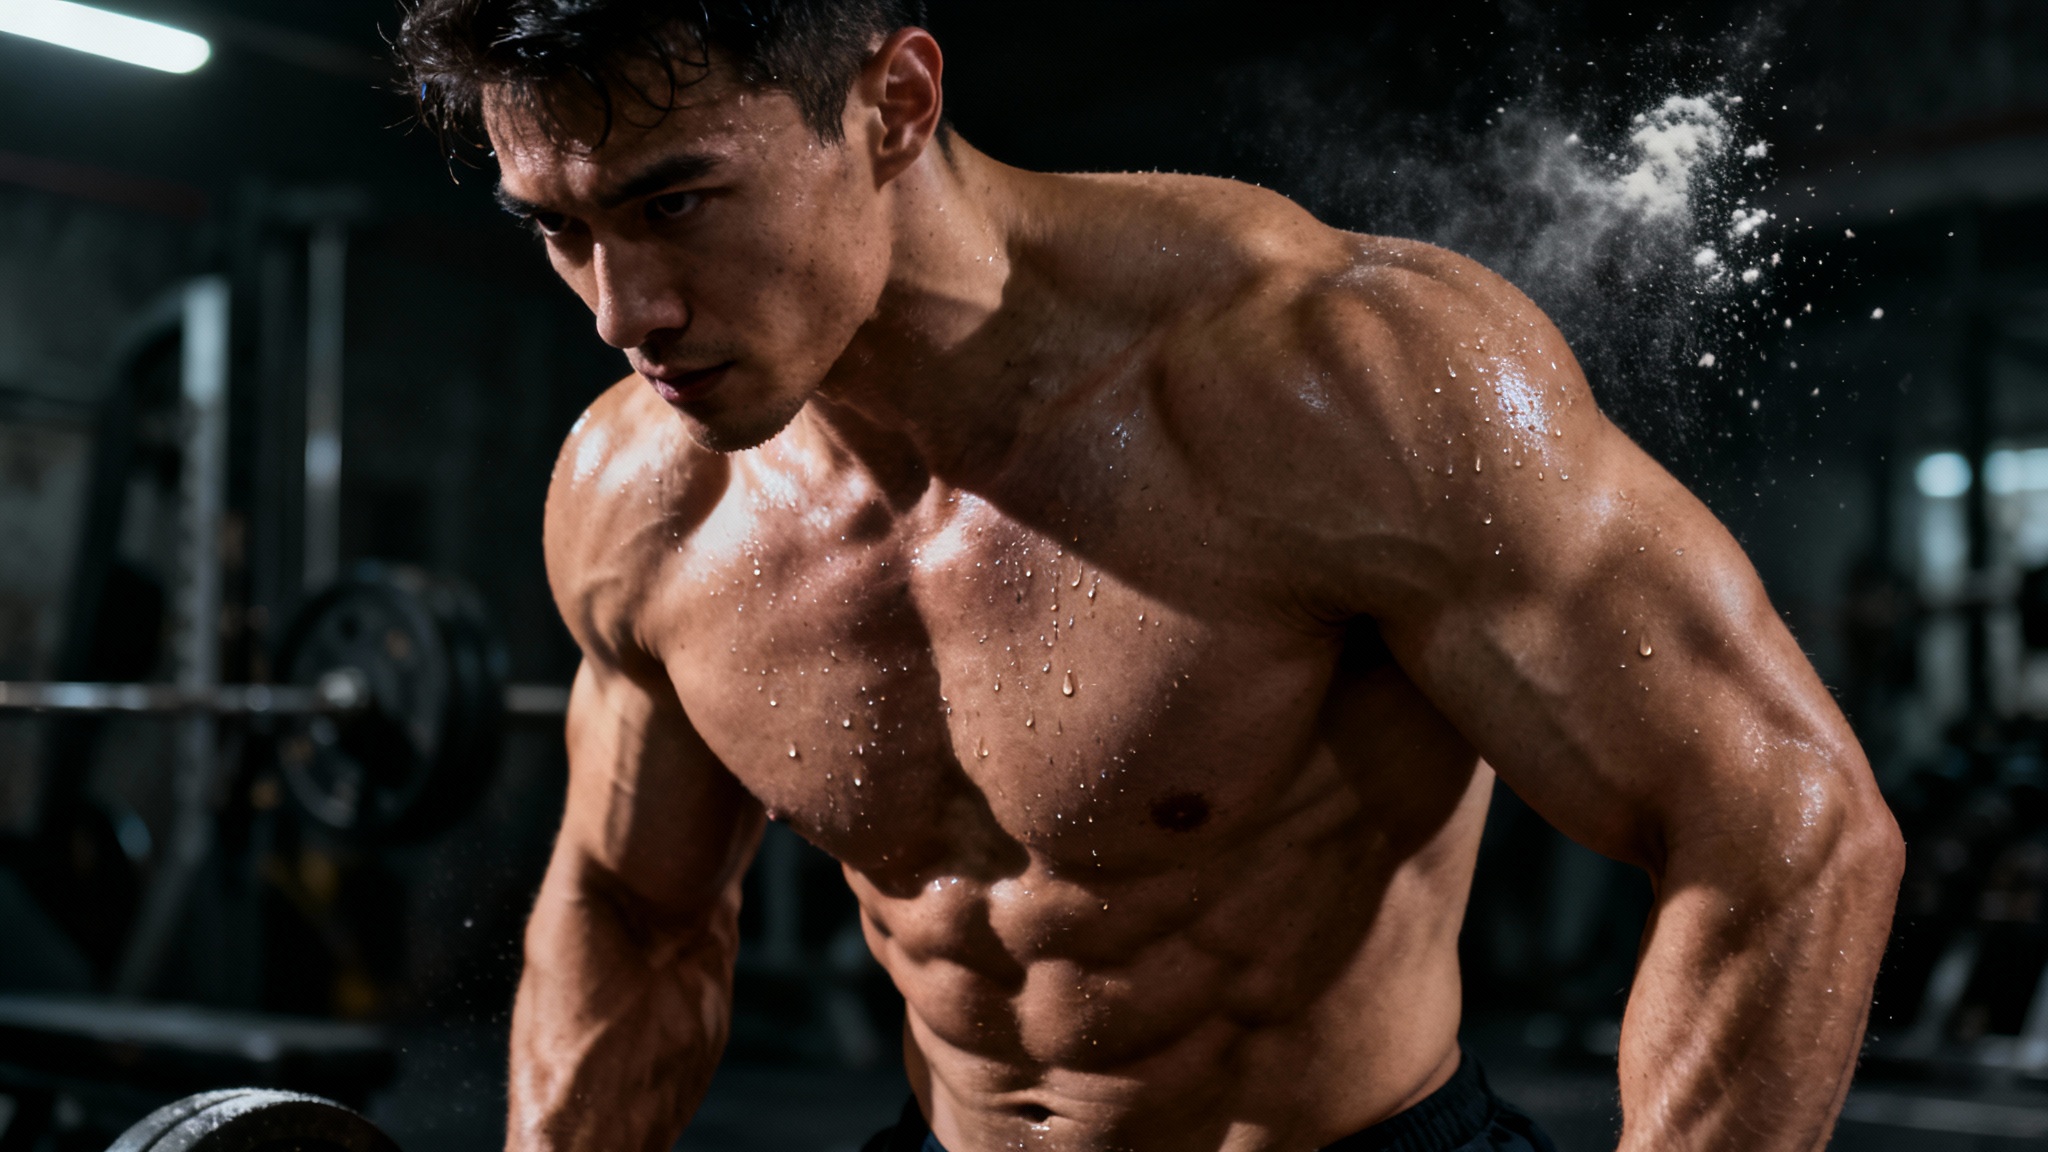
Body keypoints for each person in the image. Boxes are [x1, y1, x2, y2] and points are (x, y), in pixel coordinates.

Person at [397, 3, 1905, 1150]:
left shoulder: (1330, 379)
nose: (621, 309)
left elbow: (1786, 827)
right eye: (558, 230)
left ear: (895, 106)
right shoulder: (639, 495)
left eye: (675, 204)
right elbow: (632, 908)